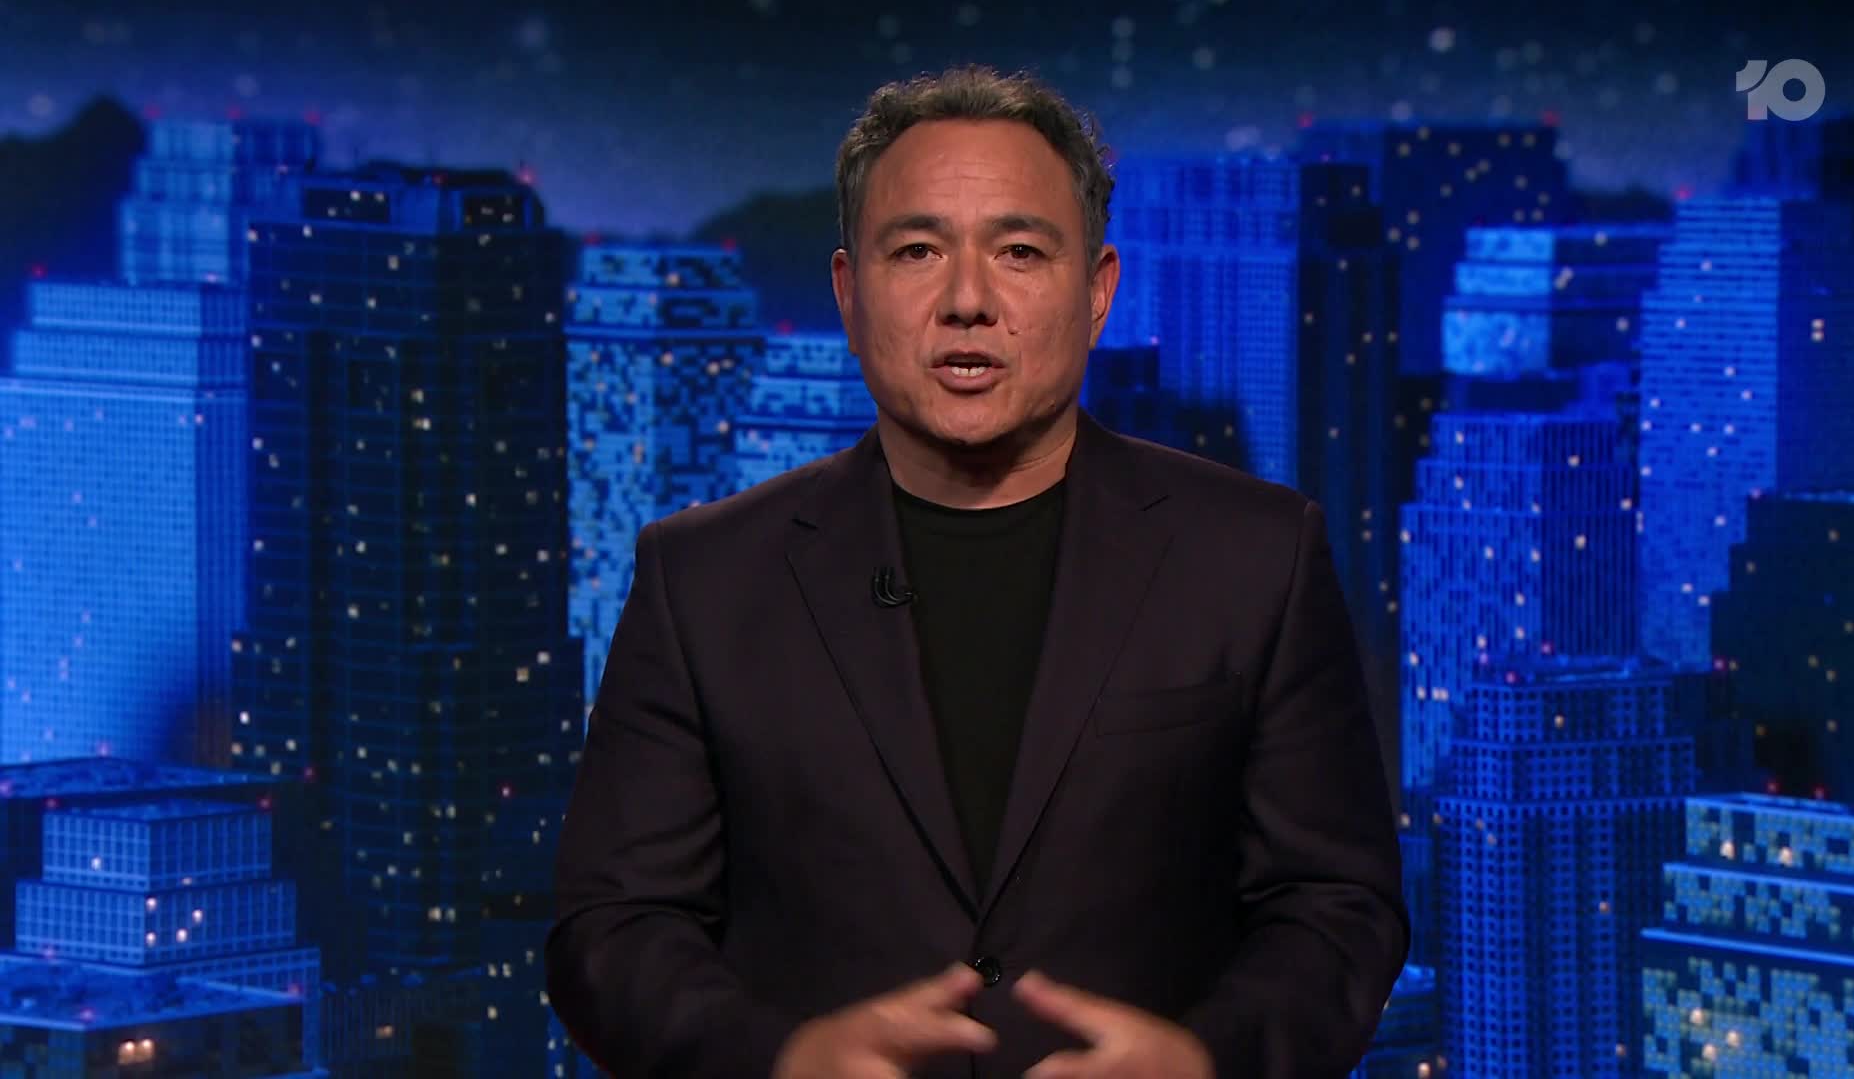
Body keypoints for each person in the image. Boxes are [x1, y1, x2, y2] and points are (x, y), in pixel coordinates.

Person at [546, 64, 1408, 1078]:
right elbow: (611, 928)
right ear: (849, 293)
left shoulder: (1257, 556)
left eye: (1020, 252)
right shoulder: (702, 580)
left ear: (1097, 291)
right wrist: (778, 1059)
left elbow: (1338, 907)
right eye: (917, 251)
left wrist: (1206, 1061)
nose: (967, 301)